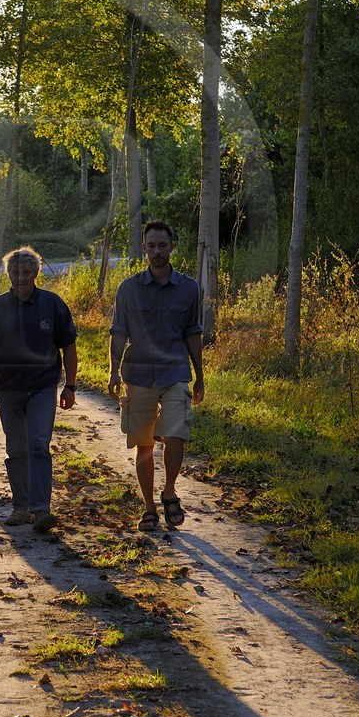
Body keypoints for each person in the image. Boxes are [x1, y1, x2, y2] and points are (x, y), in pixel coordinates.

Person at [0, 247, 77, 532]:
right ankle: (21, 507)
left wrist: (70, 386)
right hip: (8, 389)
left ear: (36, 273)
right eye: (15, 272)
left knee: (38, 444)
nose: (21, 277)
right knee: (17, 448)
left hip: (42, 387)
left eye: (27, 272)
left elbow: (69, 346)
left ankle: (41, 510)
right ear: (8, 274)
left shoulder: (52, 305)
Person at [108, 220, 204, 532]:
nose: (157, 251)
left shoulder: (188, 289)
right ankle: (149, 506)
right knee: (144, 444)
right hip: (138, 373)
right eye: (151, 245)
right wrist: (112, 372)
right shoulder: (129, 289)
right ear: (144, 247)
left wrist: (200, 376)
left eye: (163, 245)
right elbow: (119, 332)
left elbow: (193, 333)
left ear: (172, 246)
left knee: (176, 435)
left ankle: (170, 490)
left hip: (176, 371)